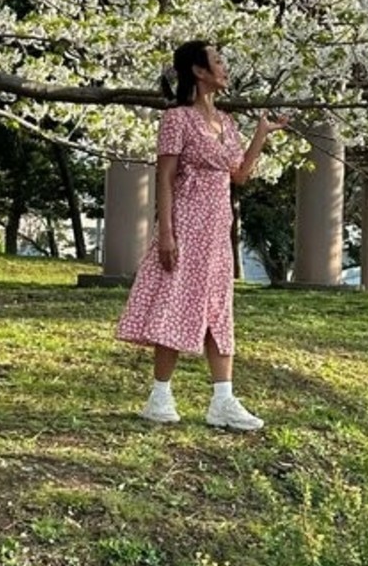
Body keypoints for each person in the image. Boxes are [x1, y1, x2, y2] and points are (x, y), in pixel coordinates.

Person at [116, 40, 284, 430]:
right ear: (198, 70)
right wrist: (167, 233)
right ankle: (159, 396)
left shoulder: (227, 122)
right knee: (176, 301)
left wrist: (261, 134)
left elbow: (240, 175)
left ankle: (223, 400)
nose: (225, 68)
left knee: (218, 308)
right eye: (218, 61)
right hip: (186, 224)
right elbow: (165, 177)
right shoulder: (177, 119)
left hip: (217, 229)